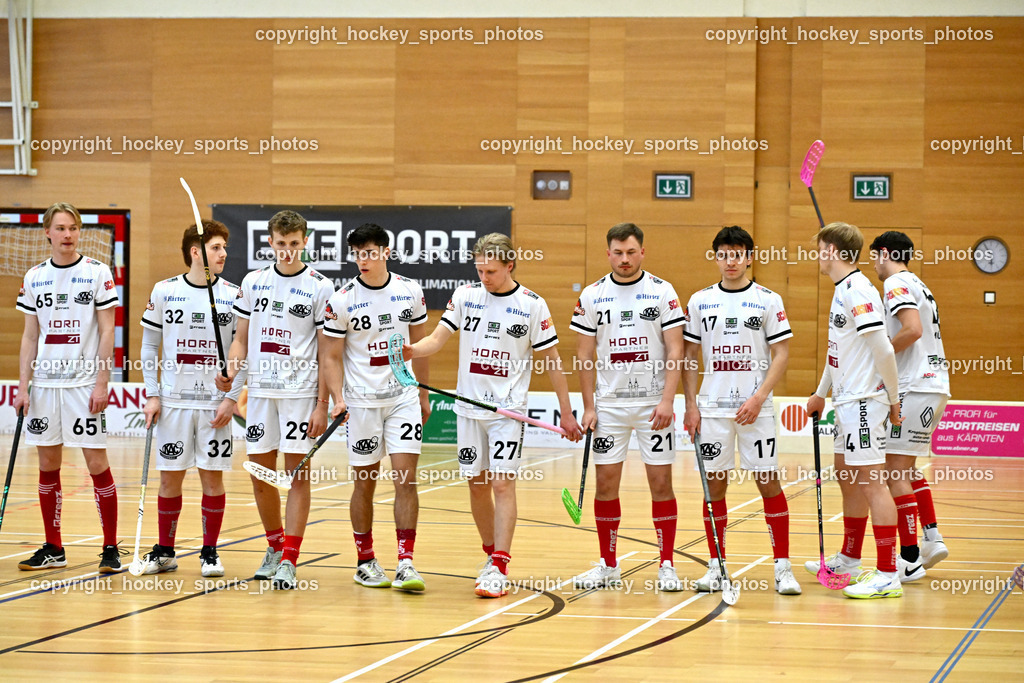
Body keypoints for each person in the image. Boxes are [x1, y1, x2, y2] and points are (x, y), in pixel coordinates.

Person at [406, 233, 582, 598]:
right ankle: (490, 555)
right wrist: (411, 349)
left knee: (502, 484)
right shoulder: (466, 296)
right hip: (469, 409)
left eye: (491, 271)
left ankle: (500, 564)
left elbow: (551, 361)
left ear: (510, 265)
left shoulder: (533, 305)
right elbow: (437, 339)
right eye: (479, 269)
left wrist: (567, 413)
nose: (484, 277)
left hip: (508, 411)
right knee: (476, 485)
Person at [217, 210, 336, 589]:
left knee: (297, 476)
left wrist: (322, 404)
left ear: (304, 242)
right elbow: (240, 338)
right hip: (261, 394)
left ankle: (289, 559)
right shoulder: (253, 282)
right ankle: (273, 546)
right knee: (261, 476)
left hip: (301, 395)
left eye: (294, 244)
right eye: (280, 244)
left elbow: (327, 353)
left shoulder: (321, 286)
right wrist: (232, 368)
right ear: (270, 243)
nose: (287, 251)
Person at [681, 226, 800, 595]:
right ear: (715, 257)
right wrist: (691, 405)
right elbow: (688, 356)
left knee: (768, 483)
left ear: (750, 256)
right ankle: (716, 566)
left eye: (738, 254)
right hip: (712, 410)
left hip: (755, 410)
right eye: (724, 254)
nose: (731, 261)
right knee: (714, 486)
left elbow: (782, 353)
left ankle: (783, 567)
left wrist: (760, 396)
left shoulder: (768, 299)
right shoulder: (700, 301)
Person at [570, 223, 685, 592]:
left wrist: (668, 399)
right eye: (617, 253)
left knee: (661, 482)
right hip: (609, 407)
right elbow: (584, 355)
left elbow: (676, 350)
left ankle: (666, 563)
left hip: (654, 405)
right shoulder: (592, 295)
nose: (624, 259)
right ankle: (608, 565)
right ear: (608, 254)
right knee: (605, 484)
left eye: (631, 252)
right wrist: (588, 406)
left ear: (642, 252)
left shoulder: (662, 291)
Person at [321, 224, 431, 591]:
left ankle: (406, 562)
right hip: (361, 403)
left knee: (405, 479)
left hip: (402, 399)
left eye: (369, 252)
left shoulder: (409, 291)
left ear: (385, 251)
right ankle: (365, 560)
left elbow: (421, 346)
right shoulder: (342, 299)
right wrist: (337, 398)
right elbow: (331, 357)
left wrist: (423, 394)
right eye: (356, 253)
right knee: (364, 484)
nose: (362, 259)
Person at [14, 203, 120, 573]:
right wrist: (23, 386)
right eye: (60, 228)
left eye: (73, 227)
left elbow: (108, 329)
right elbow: (30, 336)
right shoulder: (34, 277)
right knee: (47, 465)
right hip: (44, 386)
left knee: (96, 464)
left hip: (82, 385)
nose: (68, 234)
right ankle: (53, 548)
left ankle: (110, 548)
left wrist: (103, 380)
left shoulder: (96, 272)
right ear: (47, 232)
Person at [138, 220, 244, 577]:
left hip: (214, 405)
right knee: (170, 479)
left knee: (212, 478)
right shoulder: (165, 291)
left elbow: (242, 351)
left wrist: (231, 397)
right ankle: (165, 551)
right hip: (173, 403)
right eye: (216, 247)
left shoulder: (234, 294)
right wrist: (152, 394)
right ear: (196, 252)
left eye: (225, 247)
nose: (224, 253)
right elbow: (150, 345)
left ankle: (210, 552)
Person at [806, 222, 904, 599]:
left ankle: (887, 572)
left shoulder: (859, 290)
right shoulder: (842, 290)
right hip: (845, 400)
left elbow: (883, 349)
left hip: (865, 400)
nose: (817, 256)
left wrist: (894, 401)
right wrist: (819, 394)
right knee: (847, 476)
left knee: (871, 482)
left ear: (831, 251)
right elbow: (838, 353)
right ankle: (849, 558)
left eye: (819, 249)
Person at [870, 231, 951, 577]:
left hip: (914, 386)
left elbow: (912, 329)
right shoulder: (919, 282)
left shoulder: (895, 284)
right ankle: (931, 537)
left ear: (885, 253)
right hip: (933, 386)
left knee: (894, 472)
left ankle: (910, 558)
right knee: (905, 466)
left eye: (874, 256)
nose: (873, 264)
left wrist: (880, 355)